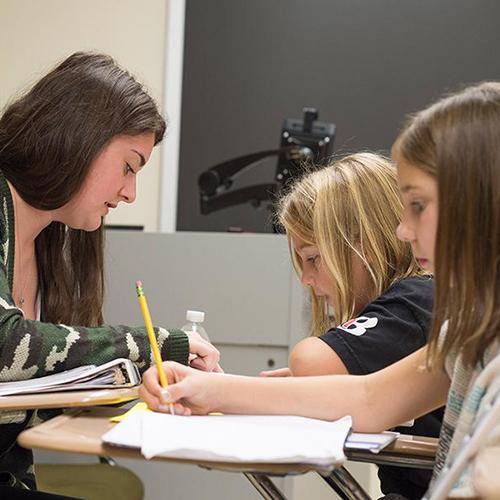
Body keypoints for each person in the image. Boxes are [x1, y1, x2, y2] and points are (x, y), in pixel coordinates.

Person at [141, 81, 500, 499]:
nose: (403, 230)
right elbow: (370, 398)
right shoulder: (470, 331)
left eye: (418, 205)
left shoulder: (436, 308)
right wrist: (207, 390)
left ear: (480, 202)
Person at [0, 51, 220, 493]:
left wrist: (139, 377)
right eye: (128, 167)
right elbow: (7, 346)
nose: (130, 193)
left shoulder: (47, 244)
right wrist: (151, 344)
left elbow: (41, 384)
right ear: (77, 138)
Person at [259, 153, 441, 498]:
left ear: (365, 245)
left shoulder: (414, 303)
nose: (307, 280)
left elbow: (311, 363)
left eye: (313, 258)